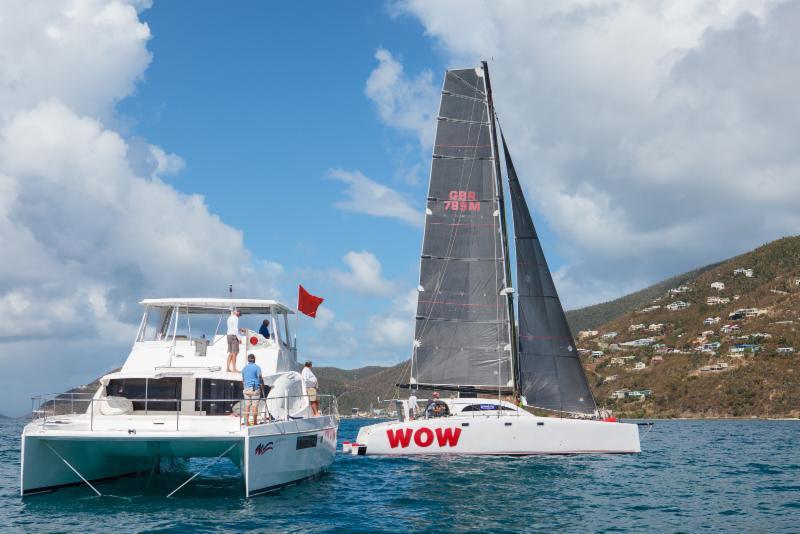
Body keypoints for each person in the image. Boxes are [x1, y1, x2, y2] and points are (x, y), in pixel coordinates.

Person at [242, 354, 263, 426]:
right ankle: (254, 422)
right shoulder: (257, 367)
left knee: (247, 405)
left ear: (248, 360)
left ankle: (246, 423)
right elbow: (259, 377)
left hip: (246, 389)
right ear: (254, 359)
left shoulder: (244, 368)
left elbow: (243, 380)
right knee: (254, 406)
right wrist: (262, 385)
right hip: (254, 389)